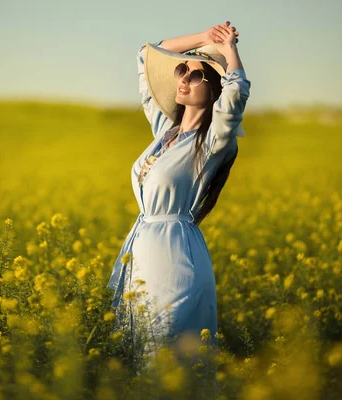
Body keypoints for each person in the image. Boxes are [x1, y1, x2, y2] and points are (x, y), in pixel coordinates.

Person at [107, 21, 251, 366]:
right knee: (139, 346)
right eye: (181, 70)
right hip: (143, 246)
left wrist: (228, 50)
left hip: (175, 253)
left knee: (165, 351)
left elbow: (236, 95)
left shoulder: (213, 143)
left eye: (195, 75)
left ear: (214, 88)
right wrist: (204, 38)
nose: (183, 78)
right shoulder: (164, 131)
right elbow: (147, 54)